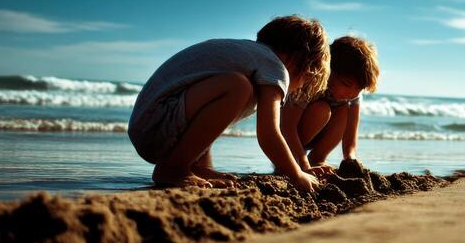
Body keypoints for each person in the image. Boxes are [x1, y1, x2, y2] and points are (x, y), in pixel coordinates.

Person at [128, 15, 330, 191]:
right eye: (307, 78)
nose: (301, 86)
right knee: (238, 87)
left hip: (149, 125)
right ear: (301, 60)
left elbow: (204, 117)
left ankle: (193, 165)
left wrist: (203, 170)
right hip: (158, 125)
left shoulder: (247, 55)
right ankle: (174, 168)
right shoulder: (274, 65)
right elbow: (269, 134)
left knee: (241, 88)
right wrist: (297, 175)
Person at [280, 35, 379, 172]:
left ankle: (317, 159)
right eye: (346, 84)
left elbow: (350, 140)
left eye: (359, 89)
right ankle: (296, 160)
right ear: (329, 69)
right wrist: (303, 165)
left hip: (315, 136)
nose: (352, 93)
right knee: (322, 109)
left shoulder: (351, 93)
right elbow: (286, 128)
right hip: (287, 140)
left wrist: (350, 161)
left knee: (344, 107)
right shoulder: (310, 81)